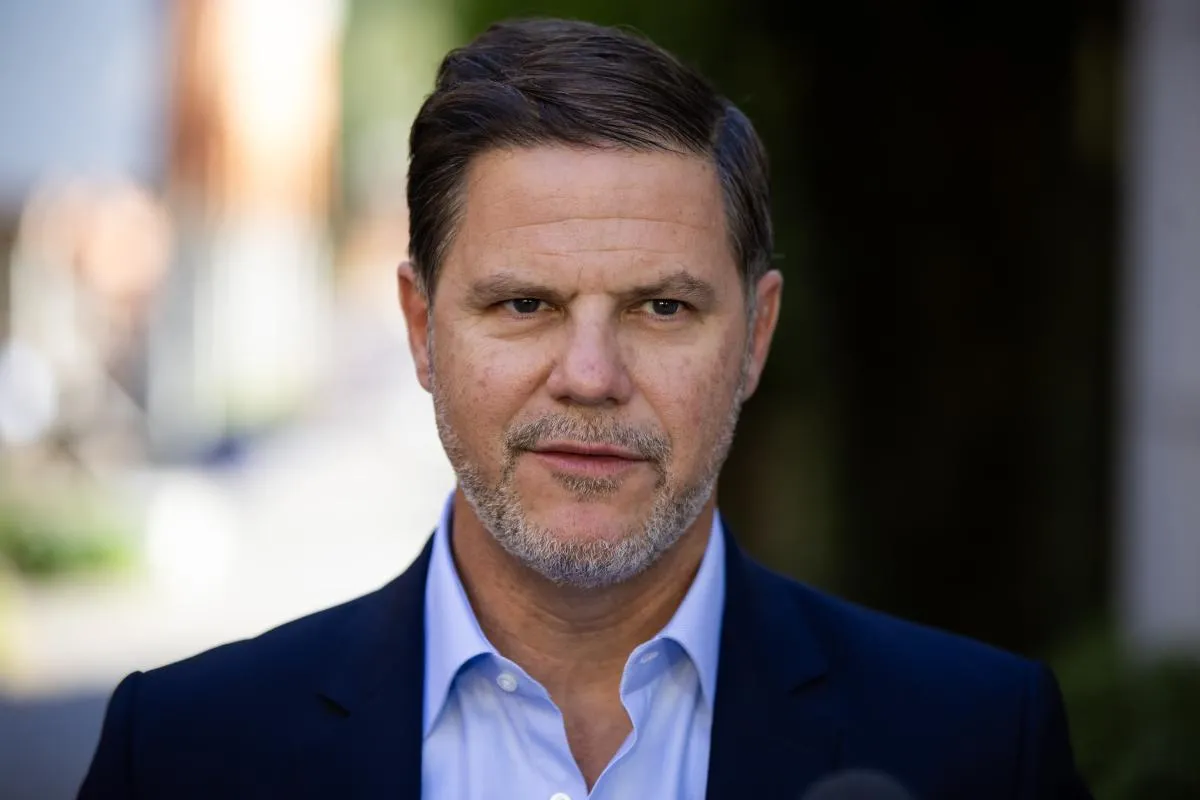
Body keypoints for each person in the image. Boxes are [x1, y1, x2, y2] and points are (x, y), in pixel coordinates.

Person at [80, 18, 1092, 800]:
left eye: (663, 305)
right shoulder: (182, 751)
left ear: (756, 335)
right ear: (421, 325)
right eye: (525, 304)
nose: (592, 374)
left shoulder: (976, 745)